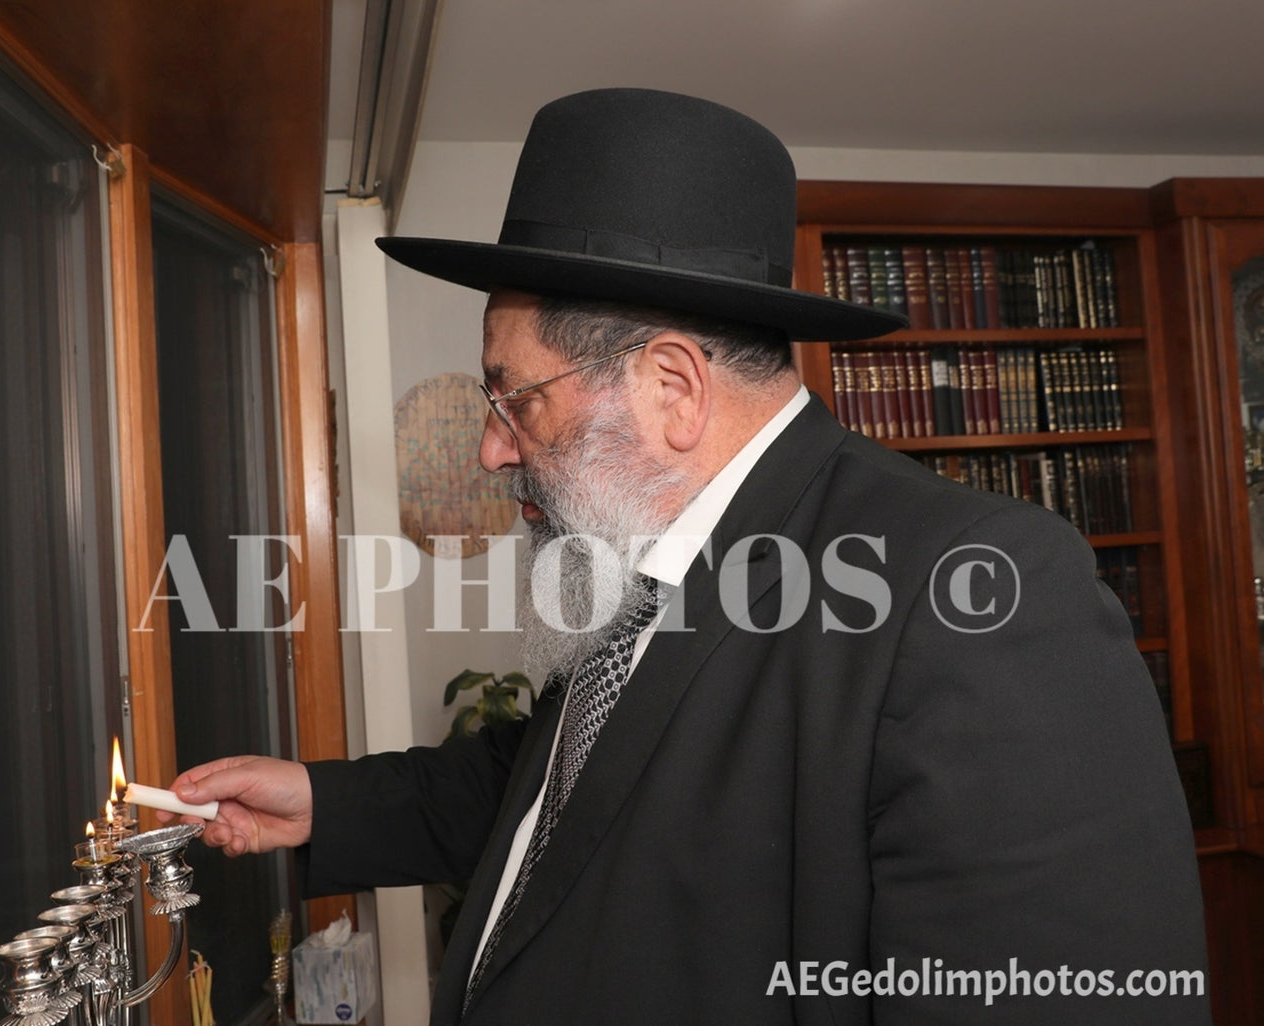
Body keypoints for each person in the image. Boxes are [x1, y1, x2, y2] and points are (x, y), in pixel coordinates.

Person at [159, 89, 1210, 1024]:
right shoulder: (637, 567)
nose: (490, 445)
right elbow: (559, 788)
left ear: (668, 388)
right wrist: (320, 800)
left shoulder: (981, 598)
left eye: (511, 396)